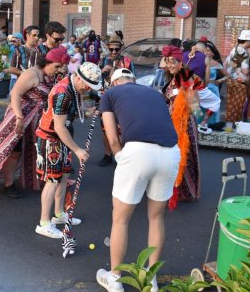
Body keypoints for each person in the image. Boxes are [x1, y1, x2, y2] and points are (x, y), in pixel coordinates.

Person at [96, 68, 179, 292]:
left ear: (114, 83)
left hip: (137, 151)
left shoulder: (109, 95)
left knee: (121, 219)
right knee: (156, 218)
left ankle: (115, 278)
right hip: (171, 152)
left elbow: (112, 138)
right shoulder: (154, 93)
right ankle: (150, 279)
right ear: (133, 80)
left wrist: (120, 156)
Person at [0, 46, 70, 199]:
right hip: (21, 116)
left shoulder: (50, 75)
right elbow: (15, 94)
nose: (58, 69)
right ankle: (9, 184)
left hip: (38, 119)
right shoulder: (31, 74)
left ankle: (39, 180)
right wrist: (19, 118)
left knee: (35, 150)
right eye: (56, 66)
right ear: (47, 63)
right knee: (13, 151)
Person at [34, 62, 102, 239]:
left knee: (63, 176)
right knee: (52, 180)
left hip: (62, 138)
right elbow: (58, 127)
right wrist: (78, 150)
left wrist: (91, 112)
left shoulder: (75, 87)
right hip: (51, 138)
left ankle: (58, 214)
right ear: (78, 77)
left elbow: (77, 113)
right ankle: (44, 223)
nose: (88, 89)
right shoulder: (63, 93)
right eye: (87, 85)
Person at [161, 45, 205, 204]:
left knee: (184, 158)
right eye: (168, 61)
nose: (170, 64)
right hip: (172, 123)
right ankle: (176, 189)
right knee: (173, 158)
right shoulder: (173, 76)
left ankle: (186, 192)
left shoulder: (185, 77)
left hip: (184, 124)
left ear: (181, 62)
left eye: (174, 61)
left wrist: (195, 117)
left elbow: (195, 105)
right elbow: (162, 64)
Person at [98, 33, 135, 166]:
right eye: (111, 49)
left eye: (116, 49)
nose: (114, 52)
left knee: (122, 129)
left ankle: (121, 155)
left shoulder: (127, 62)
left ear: (121, 48)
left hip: (122, 99)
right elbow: (96, 79)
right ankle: (107, 155)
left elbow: (132, 79)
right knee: (105, 129)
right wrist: (102, 71)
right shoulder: (103, 60)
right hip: (106, 98)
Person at [223, 30, 250, 132]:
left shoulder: (234, 50)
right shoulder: (243, 53)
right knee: (237, 105)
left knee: (231, 103)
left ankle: (228, 127)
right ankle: (232, 128)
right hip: (240, 82)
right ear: (247, 41)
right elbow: (245, 71)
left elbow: (225, 65)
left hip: (231, 81)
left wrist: (230, 75)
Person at [204, 42, 224, 125]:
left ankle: (212, 124)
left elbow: (228, 76)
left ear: (213, 53)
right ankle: (201, 124)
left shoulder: (216, 64)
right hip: (202, 87)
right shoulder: (201, 62)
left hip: (213, 88)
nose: (206, 52)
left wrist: (220, 80)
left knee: (212, 107)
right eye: (205, 50)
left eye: (208, 50)